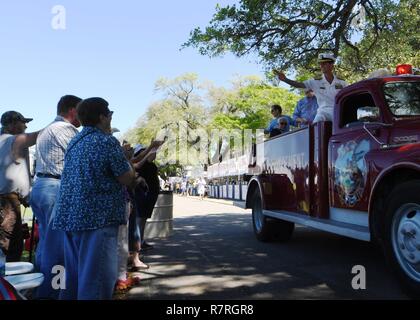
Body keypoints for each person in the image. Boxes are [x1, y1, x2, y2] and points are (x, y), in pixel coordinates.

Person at [52, 97, 136, 300]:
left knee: (73, 278)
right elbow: (127, 178)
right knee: (96, 281)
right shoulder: (106, 141)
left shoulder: (75, 141)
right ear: (102, 117)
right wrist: (127, 159)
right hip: (97, 219)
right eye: (110, 114)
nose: (110, 117)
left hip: (70, 217)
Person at [29, 95, 82, 299]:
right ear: (71, 110)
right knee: (58, 248)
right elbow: (80, 155)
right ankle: (53, 293)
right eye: (80, 109)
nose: (82, 115)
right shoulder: (65, 129)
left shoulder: (46, 129)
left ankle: (42, 288)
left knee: (46, 244)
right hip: (55, 188)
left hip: (42, 187)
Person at [0, 111, 40, 262]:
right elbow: (37, 136)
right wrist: (57, 126)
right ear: (12, 124)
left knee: (10, 244)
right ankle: (8, 283)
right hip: (7, 201)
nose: (25, 126)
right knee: (10, 246)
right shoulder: (12, 140)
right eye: (23, 122)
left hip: (9, 199)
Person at [274, 53, 348, 123]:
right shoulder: (316, 81)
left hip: (339, 111)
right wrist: (285, 79)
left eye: (324, 63)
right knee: (316, 125)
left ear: (332, 65)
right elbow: (299, 85)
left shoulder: (342, 82)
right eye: (320, 64)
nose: (321, 66)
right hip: (323, 112)